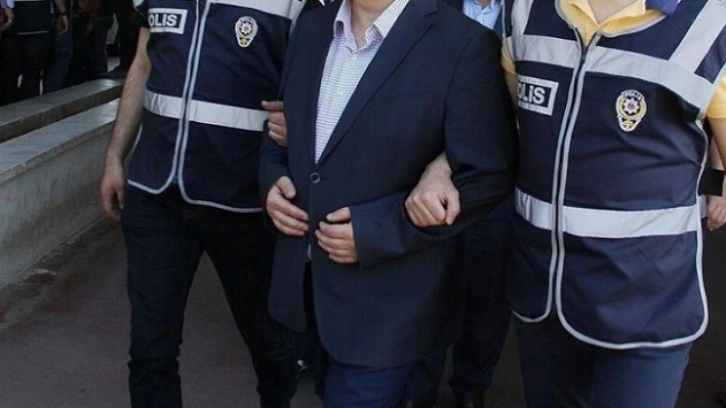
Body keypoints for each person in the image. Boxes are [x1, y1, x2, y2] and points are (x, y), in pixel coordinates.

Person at [405, 0, 726, 406]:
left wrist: (715, 183)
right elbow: (502, 122)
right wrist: (441, 167)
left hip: (647, 304)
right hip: (543, 293)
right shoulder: (525, 9)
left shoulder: (711, 23)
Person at [259, 0, 517, 405]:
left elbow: (487, 173)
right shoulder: (310, 28)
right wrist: (272, 181)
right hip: (307, 291)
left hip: (391, 309)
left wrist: (381, 231)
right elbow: (282, 132)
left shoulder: (463, 43)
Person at [99, 1, 323, 406]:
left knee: (268, 343)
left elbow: (323, 79)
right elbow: (143, 64)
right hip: (155, 192)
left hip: (244, 201)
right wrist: (116, 154)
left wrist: (303, 124)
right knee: (150, 350)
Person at [401, 1, 512, 408]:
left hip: (497, 177)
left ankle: (471, 384)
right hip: (422, 174)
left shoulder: (535, 13)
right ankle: (418, 389)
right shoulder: (426, 7)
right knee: (425, 286)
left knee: (488, 292)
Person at [0, 0, 68, 105]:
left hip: (13, 19)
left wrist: (5, 6)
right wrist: (62, 13)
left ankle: (9, 106)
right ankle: (27, 108)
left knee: (9, 74)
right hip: (39, 18)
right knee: (32, 75)